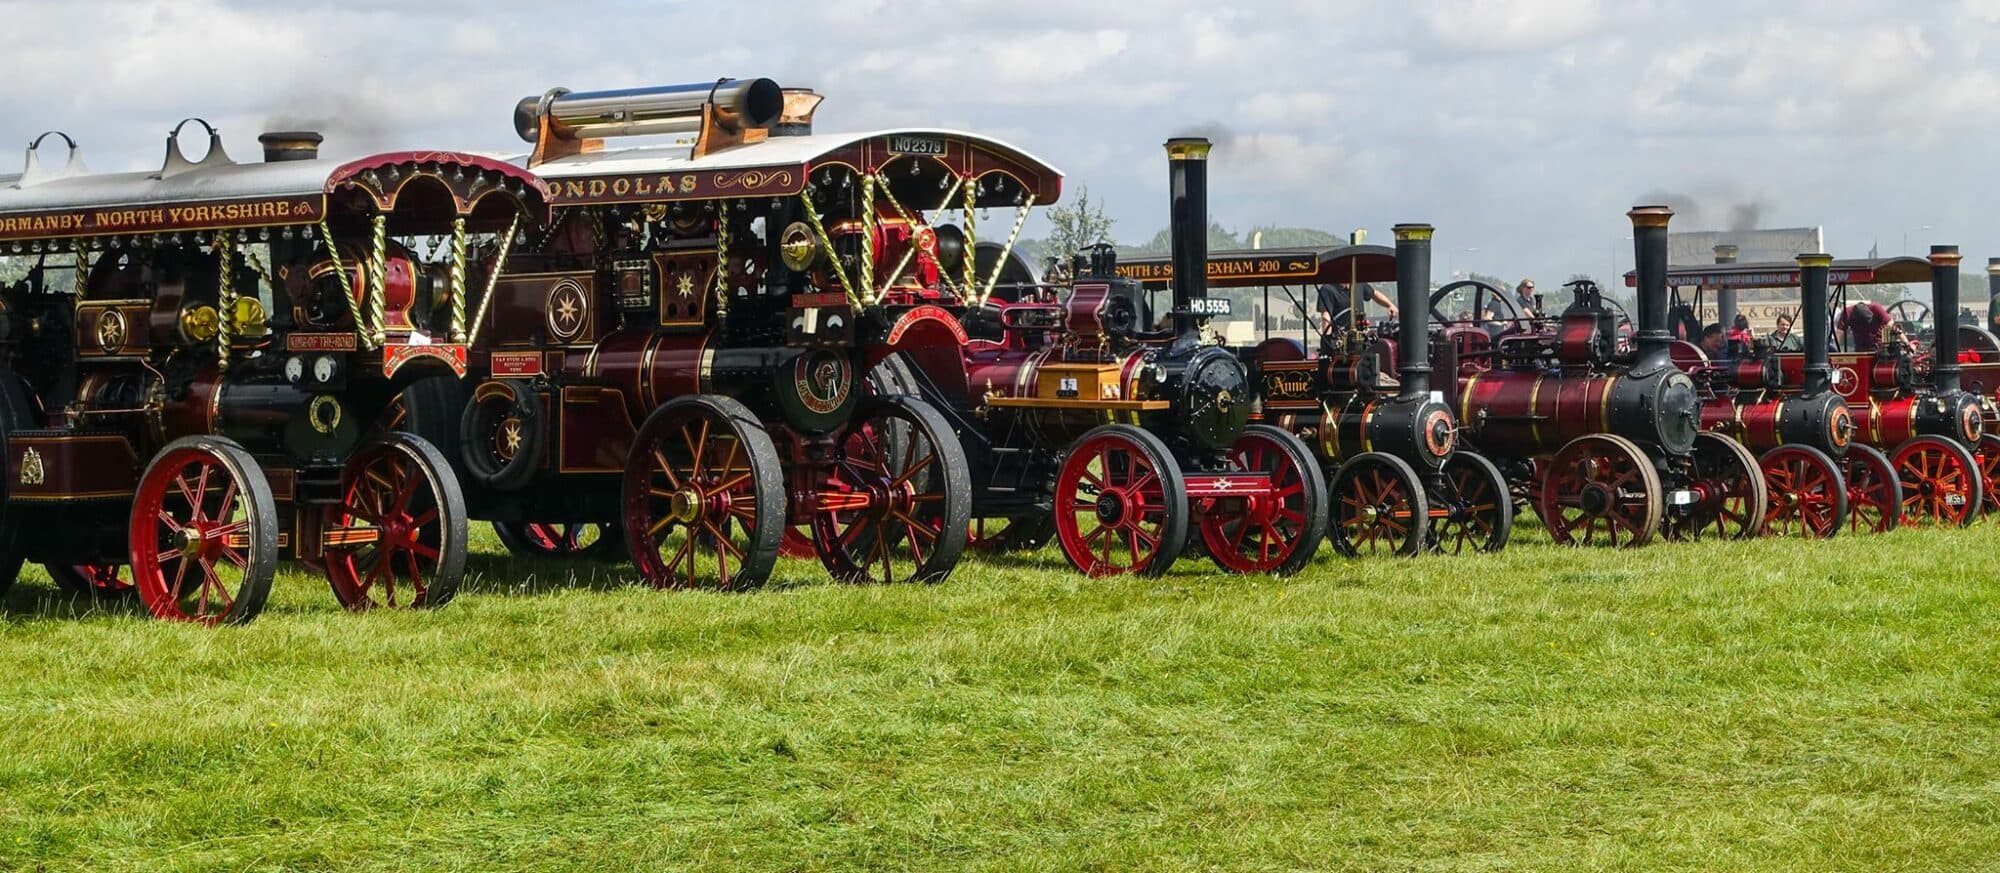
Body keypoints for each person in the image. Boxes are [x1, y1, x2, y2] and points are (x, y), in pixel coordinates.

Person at [1314, 282, 1397, 334]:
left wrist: (1389, 305)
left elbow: (1374, 294)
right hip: (1341, 338)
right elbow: (1326, 317)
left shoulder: (1359, 283)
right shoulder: (1327, 289)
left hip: (1361, 334)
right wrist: (1327, 342)